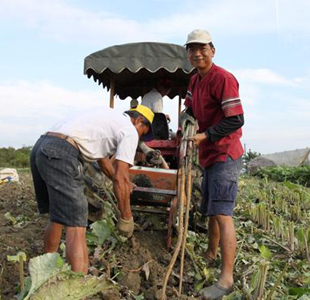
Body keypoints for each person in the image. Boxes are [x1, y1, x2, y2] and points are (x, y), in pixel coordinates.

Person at [30, 105, 154, 274]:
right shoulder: (129, 130)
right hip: (62, 153)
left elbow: (104, 163)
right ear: (138, 120)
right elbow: (121, 177)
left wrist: (123, 182)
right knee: (77, 224)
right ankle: (79, 285)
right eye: (143, 132)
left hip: (42, 146)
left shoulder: (107, 119)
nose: (140, 137)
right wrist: (126, 217)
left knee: (56, 216)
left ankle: (45, 271)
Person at [183, 29, 244, 299]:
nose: (197, 53)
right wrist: (186, 122)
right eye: (192, 49)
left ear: (212, 50)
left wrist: (205, 134)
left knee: (222, 214)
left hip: (225, 152)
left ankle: (226, 279)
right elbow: (190, 109)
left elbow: (236, 120)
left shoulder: (224, 78)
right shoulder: (194, 80)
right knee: (210, 211)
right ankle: (210, 253)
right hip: (208, 154)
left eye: (202, 48)